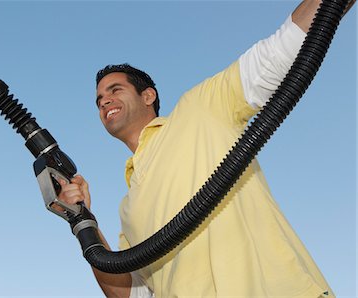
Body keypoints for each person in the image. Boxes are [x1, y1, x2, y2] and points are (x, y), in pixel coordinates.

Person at [57, 0, 355, 297]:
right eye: (98, 100)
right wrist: (81, 218)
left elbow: (279, 52)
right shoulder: (129, 208)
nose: (104, 101)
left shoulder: (199, 108)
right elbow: (130, 293)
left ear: (148, 96)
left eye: (114, 90)